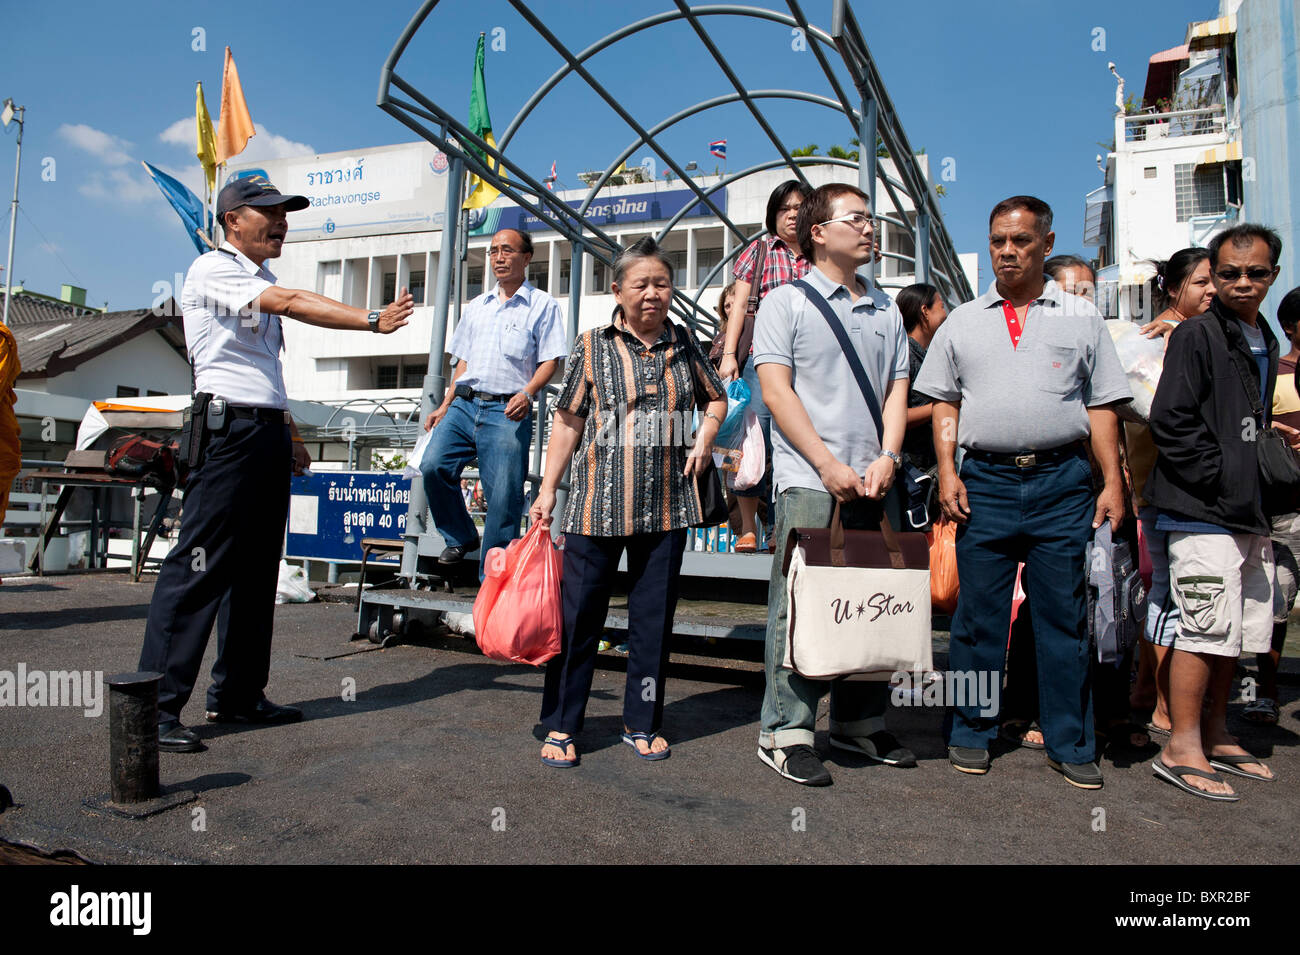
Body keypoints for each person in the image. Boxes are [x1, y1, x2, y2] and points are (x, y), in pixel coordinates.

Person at [139, 175, 413, 752]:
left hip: (262, 431)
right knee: (198, 567)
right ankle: (154, 708)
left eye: (285, 211)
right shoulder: (213, 269)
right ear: (232, 219)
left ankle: (237, 696)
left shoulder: (257, 278)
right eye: (268, 211)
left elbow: (265, 370)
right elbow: (290, 303)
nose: (281, 221)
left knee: (257, 568)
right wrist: (370, 320)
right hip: (228, 433)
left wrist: (288, 432)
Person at [915, 196, 1131, 789]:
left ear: (1046, 241)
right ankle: (969, 731)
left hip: (1062, 483)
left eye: (1021, 242)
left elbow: (1103, 405)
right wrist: (948, 471)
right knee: (976, 620)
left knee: (1063, 617)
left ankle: (1070, 741)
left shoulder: (1079, 317)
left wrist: (1110, 481)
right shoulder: (963, 319)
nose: (1007, 252)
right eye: (998, 242)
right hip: (982, 481)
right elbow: (944, 402)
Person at [530, 238, 727, 767]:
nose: (652, 294)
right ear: (617, 290)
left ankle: (641, 721)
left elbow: (717, 396)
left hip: (667, 506)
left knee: (653, 620)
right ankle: (562, 723)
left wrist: (707, 433)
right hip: (597, 504)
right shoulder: (591, 344)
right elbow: (568, 419)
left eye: (661, 283)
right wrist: (548, 489)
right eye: (640, 284)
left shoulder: (686, 344)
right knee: (578, 621)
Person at [752, 182, 913, 786]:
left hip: (875, 479)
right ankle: (786, 730)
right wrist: (825, 463)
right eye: (858, 219)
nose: (870, 229)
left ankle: (859, 724)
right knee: (798, 610)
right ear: (818, 232)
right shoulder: (784, 302)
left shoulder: (887, 307)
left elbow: (898, 387)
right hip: (810, 480)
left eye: (872, 219)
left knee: (872, 608)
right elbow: (775, 391)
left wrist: (890, 455)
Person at [1146, 223, 1285, 800]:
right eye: (1228, 273)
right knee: (1203, 629)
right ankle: (1181, 745)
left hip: (1247, 511)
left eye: (1256, 273)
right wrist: (1223, 474)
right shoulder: (1197, 335)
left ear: (1274, 275)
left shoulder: (1264, 338)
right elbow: (1170, 420)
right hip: (1202, 510)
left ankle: (1216, 729)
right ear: (1214, 273)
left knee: (1238, 632)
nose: (1241, 283)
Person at [419, 228, 567, 580]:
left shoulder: (543, 305)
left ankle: (493, 581)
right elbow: (463, 362)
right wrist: (444, 403)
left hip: (507, 410)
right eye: (493, 251)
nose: (499, 257)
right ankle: (461, 536)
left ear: (526, 258)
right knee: (433, 466)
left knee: (503, 498)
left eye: (507, 250)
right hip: (464, 404)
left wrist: (527, 392)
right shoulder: (477, 307)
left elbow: (551, 360)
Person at [1125, 249, 1214, 738]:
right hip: (1166, 487)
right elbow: (1156, 414)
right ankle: (1161, 700)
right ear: (1174, 288)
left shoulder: (1195, 333)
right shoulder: (1153, 341)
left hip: (1173, 486)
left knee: (1166, 589)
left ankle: (1148, 691)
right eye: (1202, 282)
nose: (1213, 291)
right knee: (1170, 591)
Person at [717, 180, 812, 552]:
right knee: (752, 439)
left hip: (807, 362)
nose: (792, 215)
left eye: (800, 208)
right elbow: (739, 305)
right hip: (760, 358)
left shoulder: (819, 252)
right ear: (774, 213)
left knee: (794, 440)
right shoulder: (758, 250)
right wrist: (729, 357)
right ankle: (747, 527)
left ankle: (778, 525)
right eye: (785, 208)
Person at [1251, 287, 1300, 724]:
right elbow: (1257, 426)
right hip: (1285, 502)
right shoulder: (1274, 372)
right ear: (1290, 327)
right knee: (1277, 598)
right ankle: (1264, 690)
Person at [895, 283, 947, 476]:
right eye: (941, 306)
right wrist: (942, 406)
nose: (945, 314)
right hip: (911, 470)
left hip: (926, 466)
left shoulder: (926, 355)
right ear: (925, 311)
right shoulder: (905, 355)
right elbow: (895, 415)